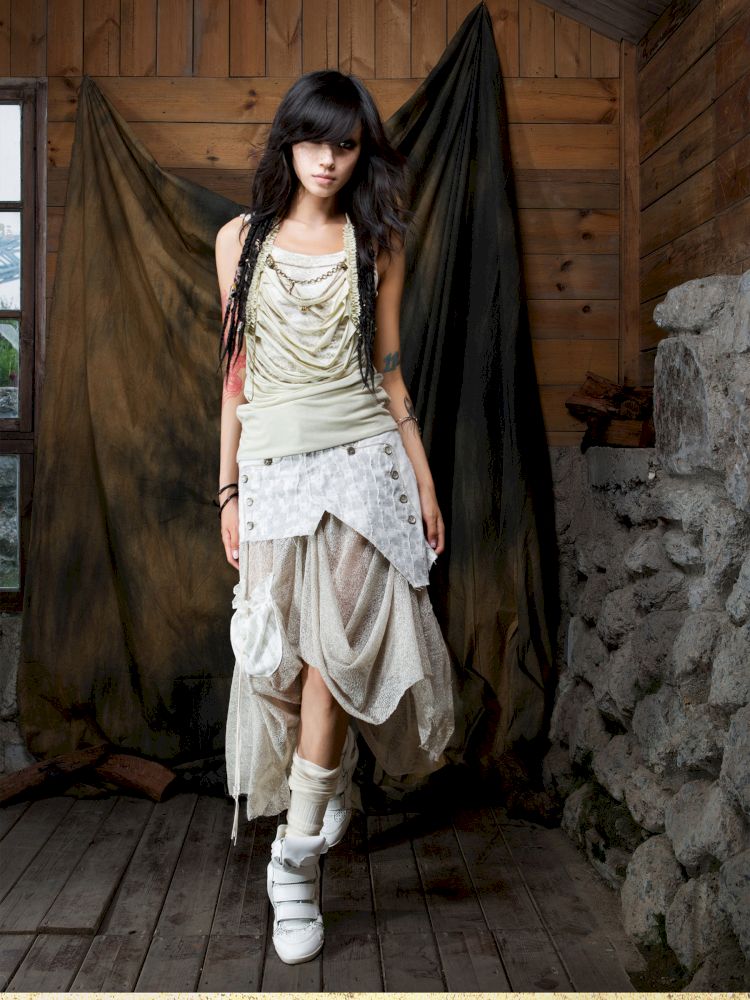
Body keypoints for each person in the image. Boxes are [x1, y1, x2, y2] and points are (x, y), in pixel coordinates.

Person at [213, 69, 455, 966]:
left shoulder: (377, 241)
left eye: (346, 145)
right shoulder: (239, 241)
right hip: (274, 471)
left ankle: (296, 859)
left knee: (334, 651)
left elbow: (389, 372)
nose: (328, 160)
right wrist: (227, 490)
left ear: (362, 154)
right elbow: (234, 376)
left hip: (363, 466)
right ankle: (321, 797)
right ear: (288, 143)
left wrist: (423, 482)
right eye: (314, 141)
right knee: (277, 665)